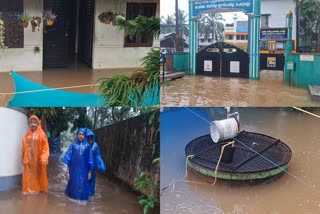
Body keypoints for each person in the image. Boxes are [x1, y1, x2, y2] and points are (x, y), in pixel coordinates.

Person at [61, 128, 94, 201]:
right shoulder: (73, 145)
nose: (81, 136)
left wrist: (90, 172)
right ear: (77, 135)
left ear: (85, 136)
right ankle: (72, 199)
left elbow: (90, 160)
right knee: (73, 184)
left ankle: (82, 200)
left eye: (82, 134)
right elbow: (68, 159)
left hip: (84, 171)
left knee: (83, 185)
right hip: (73, 171)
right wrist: (67, 172)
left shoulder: (87, 146)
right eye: (79, 134)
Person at [21, 115, 49, 194]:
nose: (33, 124)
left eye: (34, 122)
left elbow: (45, 147)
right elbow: (24, 148)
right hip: (29, 160)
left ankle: (37, 190)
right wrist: (24, 158)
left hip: (38, 160)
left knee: (38, 175)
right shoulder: (27, 135)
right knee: (28, 175)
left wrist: (43, 158)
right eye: (31, 123)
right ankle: (28, 191)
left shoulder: (42, 135)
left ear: (37, 124)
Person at [86, 129, 106, 196]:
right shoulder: (84, 145)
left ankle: (91, 194)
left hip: (93, 167)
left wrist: (101, 163)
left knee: (92, 180)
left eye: (91, 137)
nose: (90, 139)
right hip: (85, 167)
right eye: (89, 137)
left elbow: (98, 155)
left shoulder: (95, 145)